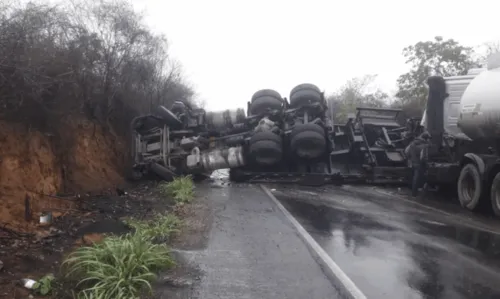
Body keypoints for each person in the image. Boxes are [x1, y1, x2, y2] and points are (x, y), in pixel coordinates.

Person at [404, 132, 431, 197]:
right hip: (419, 164)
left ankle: (412, 192)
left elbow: (406, 152)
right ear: (426, 139)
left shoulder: (412, 143)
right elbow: (423, 157)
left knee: (413, 177)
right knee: (418, 178)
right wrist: (426, 163)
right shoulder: (424, 145)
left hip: (412, 163)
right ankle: (415, 193)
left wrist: (410, 158)